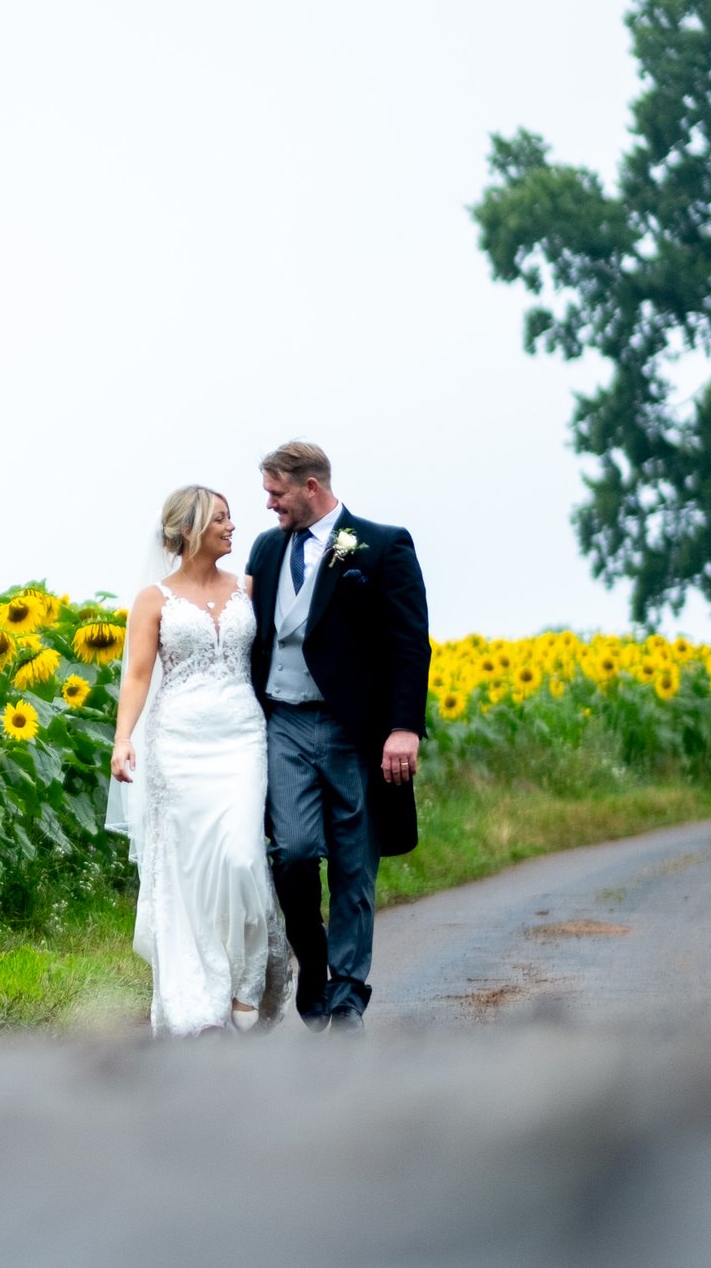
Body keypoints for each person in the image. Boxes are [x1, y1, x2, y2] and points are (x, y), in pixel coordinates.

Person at [245, 441, 431, 1033]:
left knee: (355, 865)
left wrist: (403, 728)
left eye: (277, 493)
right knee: (293, 853)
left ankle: (347, 995)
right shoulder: (267, 548)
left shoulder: (381, 544)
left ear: (311, 487)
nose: (269, 504)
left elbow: (410, 643)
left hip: (355, 730)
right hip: (285, 723)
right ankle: (315, 962)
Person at [108, 485, 291, 1035]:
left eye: (232, 517)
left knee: (239, 858)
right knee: (191, 872)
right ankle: (200, 996)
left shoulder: (250, 589)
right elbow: (138, 674)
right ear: (189, 530)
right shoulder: (154, 599)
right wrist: (123, 739)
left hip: (240, 737)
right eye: (221, 518)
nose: (232, 526)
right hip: (177, 744)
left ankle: (247, 982)